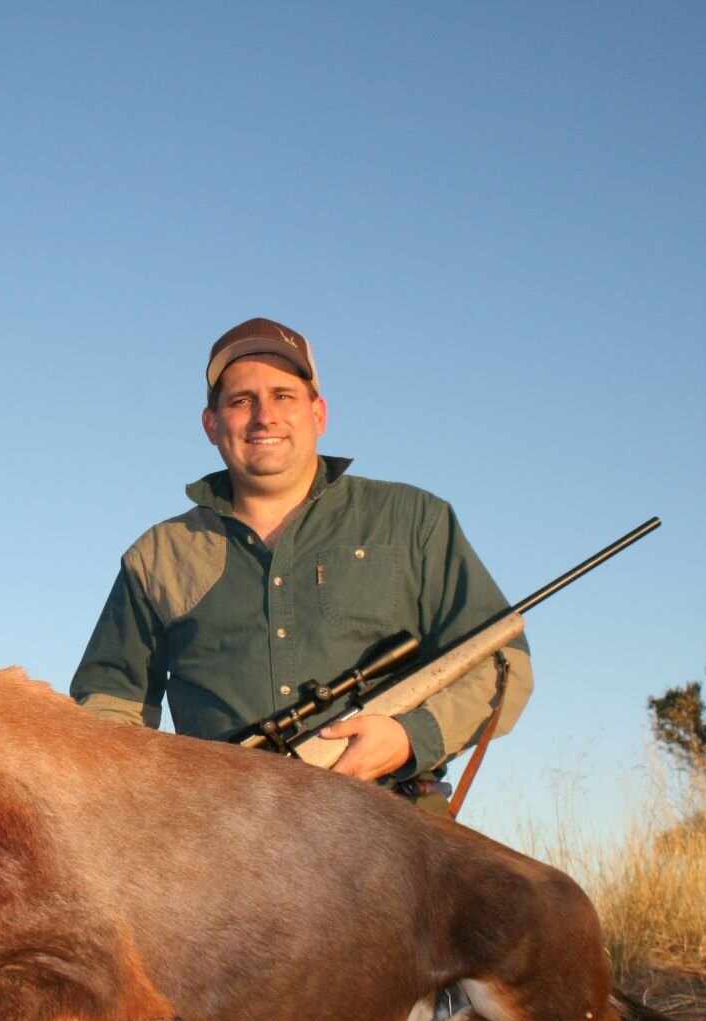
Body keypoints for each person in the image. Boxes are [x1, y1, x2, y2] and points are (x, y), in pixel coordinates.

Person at [70, 318, 533, 814]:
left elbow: (502, 666)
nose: (264, 417)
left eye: (284, 396)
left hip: (397, 824)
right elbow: (108, 708)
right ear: (211, 424)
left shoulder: (413, 520)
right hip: (222, 840)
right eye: (241, 400)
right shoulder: (160, 554)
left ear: (319, 413)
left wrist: (407, 736)